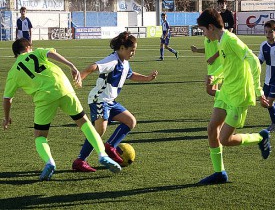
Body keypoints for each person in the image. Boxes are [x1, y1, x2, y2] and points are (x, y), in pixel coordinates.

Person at [2, 38, 121, 181]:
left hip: (44, 98)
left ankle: (49, 162)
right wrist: (71, 66)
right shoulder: (37, 52)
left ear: (15, 54)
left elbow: (8, 98)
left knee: (40, 136)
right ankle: (102, 154)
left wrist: (6, 117)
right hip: (63, 87)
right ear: (28, 47)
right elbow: (51, 54)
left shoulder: (13, 72)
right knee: (84, 123)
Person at [196, 8, 271, 185]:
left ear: (211, 27)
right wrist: (216, 77)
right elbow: (227, 66)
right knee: (212, 128)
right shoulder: (221, 41)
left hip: (238, 94)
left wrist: (258, 91)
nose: (204, 34)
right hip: (226, 92)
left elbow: (253, 61)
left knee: (225, 139)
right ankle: (219, 172)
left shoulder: (230, 40)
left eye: (203, 30)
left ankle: (261, 137)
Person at [72, 31, 158, 172]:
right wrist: (79, 78)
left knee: (131, 121)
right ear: (122, 48)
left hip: (110, 101)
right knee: (100, 129)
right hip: (99, 99)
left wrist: (147, 78)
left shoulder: (125, 63)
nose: (133, 53)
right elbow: (93, 67)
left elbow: (130, 75)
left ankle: (110, 146)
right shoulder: (112, 60)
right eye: (132, 50)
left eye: (134, 51)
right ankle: (80, 160)